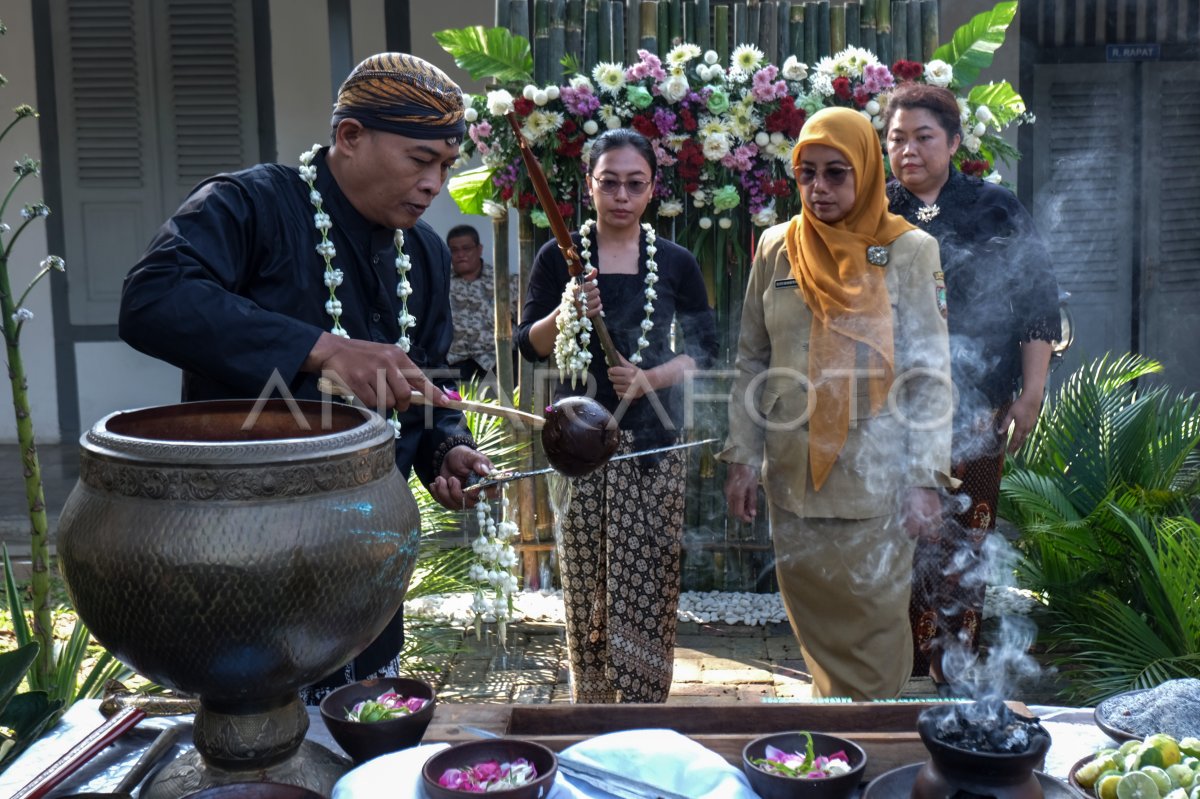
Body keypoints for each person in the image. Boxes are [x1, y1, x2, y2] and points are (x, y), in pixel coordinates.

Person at [118, 52, 494, 704]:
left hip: (366, 556)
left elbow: (427, 380)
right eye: (419, 159)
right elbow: (152, 299)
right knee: (260, 738)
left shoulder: (426, 252)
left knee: (364, 723)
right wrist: (323, 349)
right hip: (247, 550)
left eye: (445, 166)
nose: (435, 184)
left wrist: (444, 446)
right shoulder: (252, 204)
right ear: (349, 137)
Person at [720, 107, 953, 701]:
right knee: (814, 624)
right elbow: (752, 357)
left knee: (874, 627)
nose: (818, 189)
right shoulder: (778, 246)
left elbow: (929, 375)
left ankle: (874, 748)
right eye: (806, 174)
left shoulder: (909, 251)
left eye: (835, 173)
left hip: (876, 481)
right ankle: (833, 748)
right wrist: (743, 459)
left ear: (867, 172)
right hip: (793, 476)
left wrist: (926, 479)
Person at [515, 129, 718, 703]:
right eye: (610, 183)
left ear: (653, 190)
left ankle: (645, 702)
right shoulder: (561, 257)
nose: (621, 195)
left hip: (653, 445)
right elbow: (527, 344)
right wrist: (566, 309)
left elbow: (706, 350)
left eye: (635, 183)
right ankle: (594, 704)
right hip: (579, 444)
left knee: (647, 581)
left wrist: (653, 377)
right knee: (586, 581)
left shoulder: (675, 262)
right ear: (590, 186)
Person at [883, 83, 1061, 690]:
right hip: (889, 414)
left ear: (955, 141)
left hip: (979, 408)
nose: (909, 150)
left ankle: (948, 670)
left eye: (923, 137)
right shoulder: (872, 212)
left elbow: (1038, 303)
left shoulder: (996, 207)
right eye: (897, 138)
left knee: (963, 542)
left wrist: (1031, 390)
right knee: (892, 543)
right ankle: (885, 672)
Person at [445, 223, 518, 383]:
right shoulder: (441, 283)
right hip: (452, 363)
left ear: (479, 249)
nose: (460, 254)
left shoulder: (505, 281)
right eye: (454, 250)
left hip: (498, 364)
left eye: (466, 248)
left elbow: (523, 323)